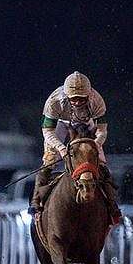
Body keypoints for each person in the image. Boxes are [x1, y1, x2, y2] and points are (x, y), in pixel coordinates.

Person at [29, 71, 121, 224]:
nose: (78, 102)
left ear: (89, 95)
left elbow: (102, 131)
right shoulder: (54, 101)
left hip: (87, 123)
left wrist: (95, 145)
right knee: (49, 161)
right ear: (67, 96)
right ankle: (36, 202)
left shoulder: (97, 100)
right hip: (60, 123)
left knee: (100, 162)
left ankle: (112, 207)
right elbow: (48, 131)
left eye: (82, 98)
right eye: (74, 99)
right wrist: (61, 148)